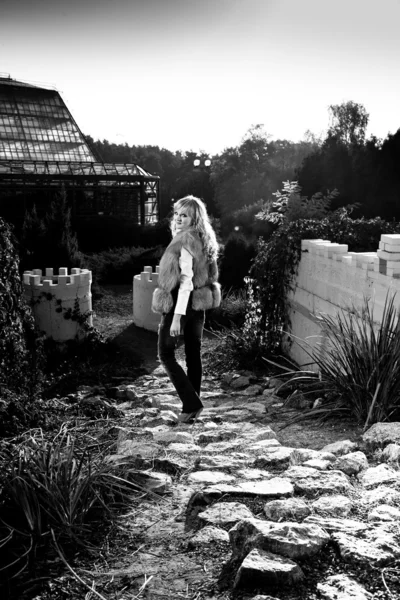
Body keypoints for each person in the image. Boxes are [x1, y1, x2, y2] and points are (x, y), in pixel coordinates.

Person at [152, 195, 221, 423]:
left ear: (195, 219)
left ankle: (191, 403)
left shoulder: (184, 241)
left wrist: (175, 318)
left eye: (185, 215)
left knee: (165, 353)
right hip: (198, 307)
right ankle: (192, 407)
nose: (179, 219)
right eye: (177, 214)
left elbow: (185, 282)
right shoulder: (203, 239)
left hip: (181, 305)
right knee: (193, 355)